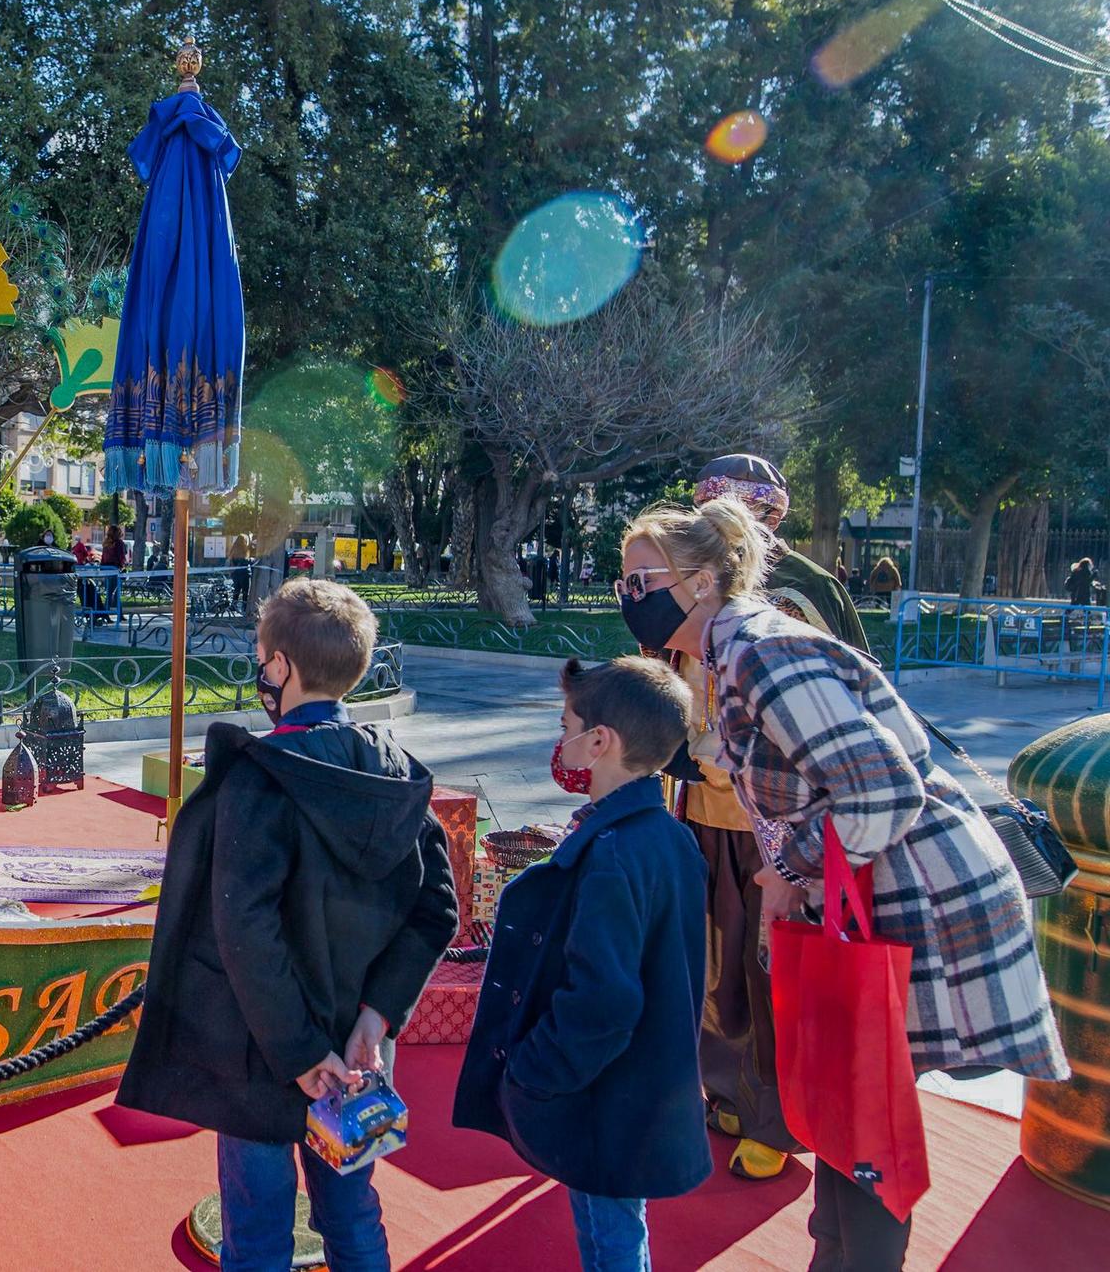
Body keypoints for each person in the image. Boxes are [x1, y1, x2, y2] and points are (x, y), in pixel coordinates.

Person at [619, 498, 1067, 1270]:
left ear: (698, 579)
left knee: (863, 1102)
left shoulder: (760, 649)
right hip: (869, 893)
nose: (628, 596)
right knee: (842, 1092)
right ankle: (838, 1252)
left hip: (914, 896)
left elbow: (884, 789)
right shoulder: (730, 655)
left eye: (641, 579)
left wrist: (788, 868)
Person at [117, 578, 457, 1272]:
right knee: (352, 1214)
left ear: (281, 668)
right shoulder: (397, 774)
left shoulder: (261, 777)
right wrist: (377, 1015)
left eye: (261, 655)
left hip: (264, 1054)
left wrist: (300, 1052)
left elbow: (244, 928)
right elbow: (436, 909)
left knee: (260, 1231)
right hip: (356, 1048)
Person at [454, 656, 709, 1272]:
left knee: (612, 1235)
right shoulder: (669, 836)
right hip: (638, 1086)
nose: (560, 736)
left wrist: (532, 1071)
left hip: (604, 1094)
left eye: (566, 723)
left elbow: (602, 1002)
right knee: (618, 1223)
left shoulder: (615, 854)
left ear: (600, 742)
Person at [678, 455, 868, 1181]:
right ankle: (725, 1089)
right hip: (700, 801)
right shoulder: (685, 574)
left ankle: (779, 1119)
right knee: (716, 966)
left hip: (783, 821)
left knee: (772, 971)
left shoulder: (806, 589)